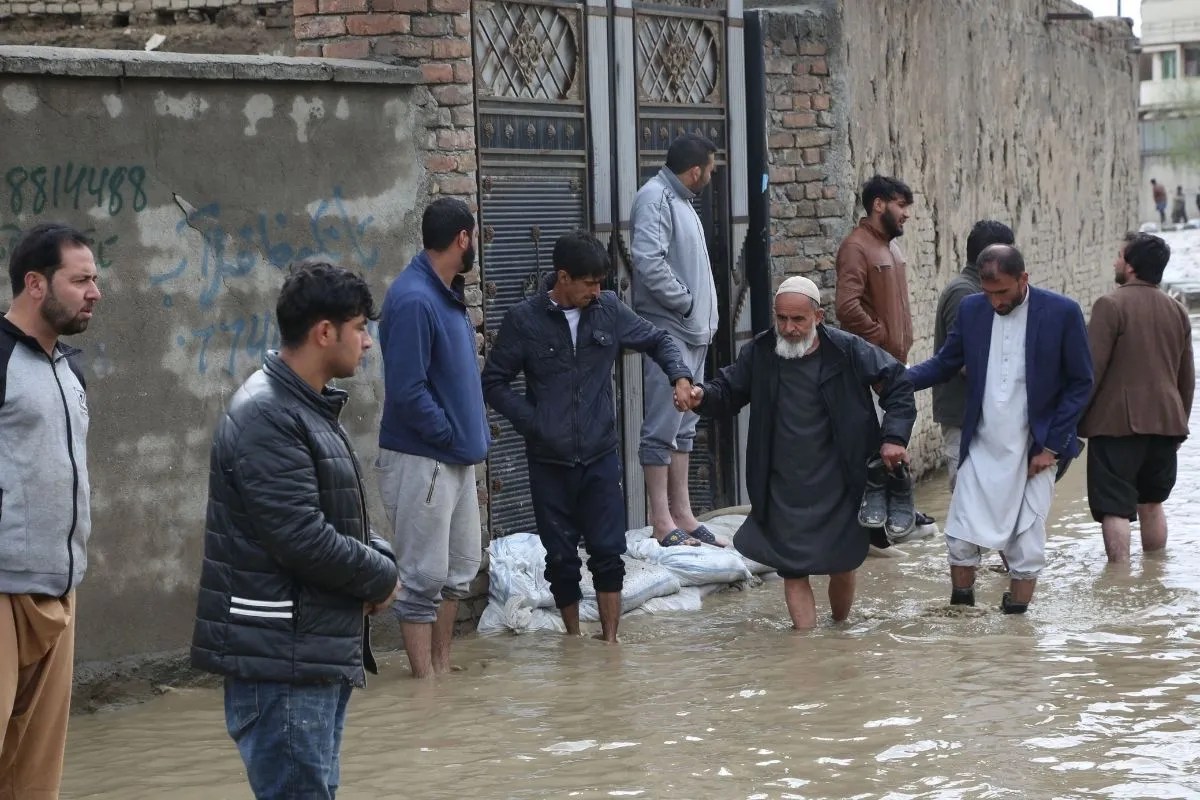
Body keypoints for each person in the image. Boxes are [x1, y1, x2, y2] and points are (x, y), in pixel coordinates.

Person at [190, 260, 400, 800]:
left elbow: (339, 516)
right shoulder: (269, 415)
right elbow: (302, 537)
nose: (368, 343)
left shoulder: (303, 407)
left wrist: (382, 559)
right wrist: (381, 576)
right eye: (360, 328)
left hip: (306, 655)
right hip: (282, 662)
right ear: (324, 332)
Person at [482, 231, 693, 642]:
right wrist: (534, 422)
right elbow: (494, 382)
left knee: (608, 553)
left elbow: (658, 339)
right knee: (560, 558)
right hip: (549, 461)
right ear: (563, 277)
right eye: (589, 283)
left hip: (599, 456)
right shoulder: (524, 320)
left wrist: (679, 376)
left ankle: (610, 642)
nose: (596, 292)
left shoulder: (608, 310)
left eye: (600, 283)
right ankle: (574, 640)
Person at [681, 276, 915, 629]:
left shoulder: (848, 351)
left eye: (798, 320)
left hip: (840, 479)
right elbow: (729, 389)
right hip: (782, 482)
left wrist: (894, 438)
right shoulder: (760, 352)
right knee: (792, 569)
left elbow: (898, 383)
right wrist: (703, 395)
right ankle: (805, 645)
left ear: (818, 317)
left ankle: (838, 630)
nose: (789, 328)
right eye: (782, 319)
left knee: (843, 563)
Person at [906, 245, 1093, 613]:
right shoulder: (972, 309)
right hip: (980, 446)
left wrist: (1052, 448)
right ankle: (962, 618)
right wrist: (898, 380)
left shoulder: (1062, 312)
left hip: (1034, 451)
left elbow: (1080, 383)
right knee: (960, 537)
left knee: (1026, 544)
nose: (995, 302)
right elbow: (945, 363)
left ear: (1023, 279)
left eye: (1003, 292)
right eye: (988, 292)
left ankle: (1017, 631)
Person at [0, 223, 100, 799]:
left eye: (95, 279)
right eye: (80, 280)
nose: (95, 292)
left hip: (61, 588)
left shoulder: (69, 367)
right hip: (2, 589)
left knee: (34, 781)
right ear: (35, 284)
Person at [376, 197, 489, 678]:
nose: (475, 244)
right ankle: (424, 687)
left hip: (455, 458)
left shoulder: (445, 293)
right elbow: (407, 390)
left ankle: (441, 672)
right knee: (422, 579)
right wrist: (447, 433)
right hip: (424, 458)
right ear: (462, 238)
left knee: (458, 572)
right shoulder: (414, 298)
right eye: (474, 236)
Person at [1080, 233, 1193, 563]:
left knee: (1114, 508)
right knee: (1152, 503)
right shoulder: (1178, 310)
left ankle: (1119, 580)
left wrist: (1070, 422)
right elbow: (1186, 379)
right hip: (1167, 424)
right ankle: (1154, 575)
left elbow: (1090, 372)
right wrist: (1179, 426)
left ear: (1130, 266)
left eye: (1119, 256)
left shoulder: (1110, 305)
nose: (1115, 261)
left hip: (1117, 426)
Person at [630, 133, 721, 547]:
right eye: (711, 170)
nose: (712, 177)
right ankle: (661, 519)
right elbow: (648, 261)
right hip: (671, 331)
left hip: (695, 332)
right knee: (662, 427)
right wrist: (685, 303)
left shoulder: (682, 201)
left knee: (685, 426)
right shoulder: (655, 198)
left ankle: (682, 513)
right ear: (696, 170)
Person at [834, 174, 934, 548]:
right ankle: (872, 529)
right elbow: (846, 307)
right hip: (873, 368)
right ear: (879, 204)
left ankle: (893, 513)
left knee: (891, 441)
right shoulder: (856, 247)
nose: (906, 214)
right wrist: (879, 340)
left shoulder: (891, 248)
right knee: (878, 446)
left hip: (893, 365)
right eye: (901, 205)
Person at [932, 220, 1015, 490]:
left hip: (979, 414)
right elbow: (963, 361)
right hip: (963, 415)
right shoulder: (964, 294)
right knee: (967, 493)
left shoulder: (979, 291)